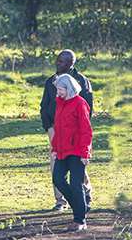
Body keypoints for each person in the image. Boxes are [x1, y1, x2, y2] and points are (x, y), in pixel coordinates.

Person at [40, 49, 93, 210]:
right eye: (58, 60)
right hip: (55, 128)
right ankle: (60, 201)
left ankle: (85, 193)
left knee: (75, 161)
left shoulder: (81, 81)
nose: (58, 63)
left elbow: (87, 107)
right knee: (56, 163)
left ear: (71, 63)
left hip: (74, 129)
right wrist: (49, 127)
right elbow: (44, 105)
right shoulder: (51, 82)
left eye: (62, 61)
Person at [51, 73, 93, 231]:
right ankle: (79, 206)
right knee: (58, 179)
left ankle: (80, 220)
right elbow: (58, 128)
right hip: (62, 150)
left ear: (68, 88)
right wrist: (55, 148)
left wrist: (85, 153)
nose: (58, 92)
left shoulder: (80, 103)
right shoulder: (60, 103)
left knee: (76, 184)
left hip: (77, 151)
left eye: (60, 89)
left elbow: (86, 130)